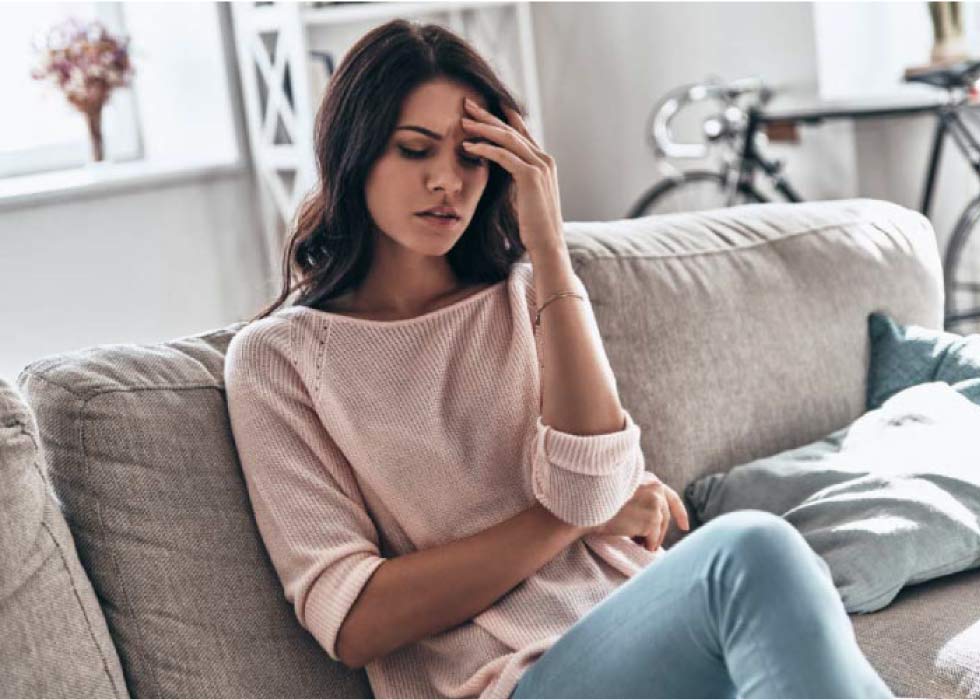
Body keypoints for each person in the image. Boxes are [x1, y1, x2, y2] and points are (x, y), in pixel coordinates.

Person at [223, 18, 895, 700]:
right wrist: (565, 521)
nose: (446, 181)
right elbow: (356, 619)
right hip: (514, 682)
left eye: (472, 156)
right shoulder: (281, 361)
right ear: (354, 153)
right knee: (751, 550)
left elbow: (596, 483)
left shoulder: (527, 296)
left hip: (645, 638)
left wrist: (546, 246)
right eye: (415, 150)